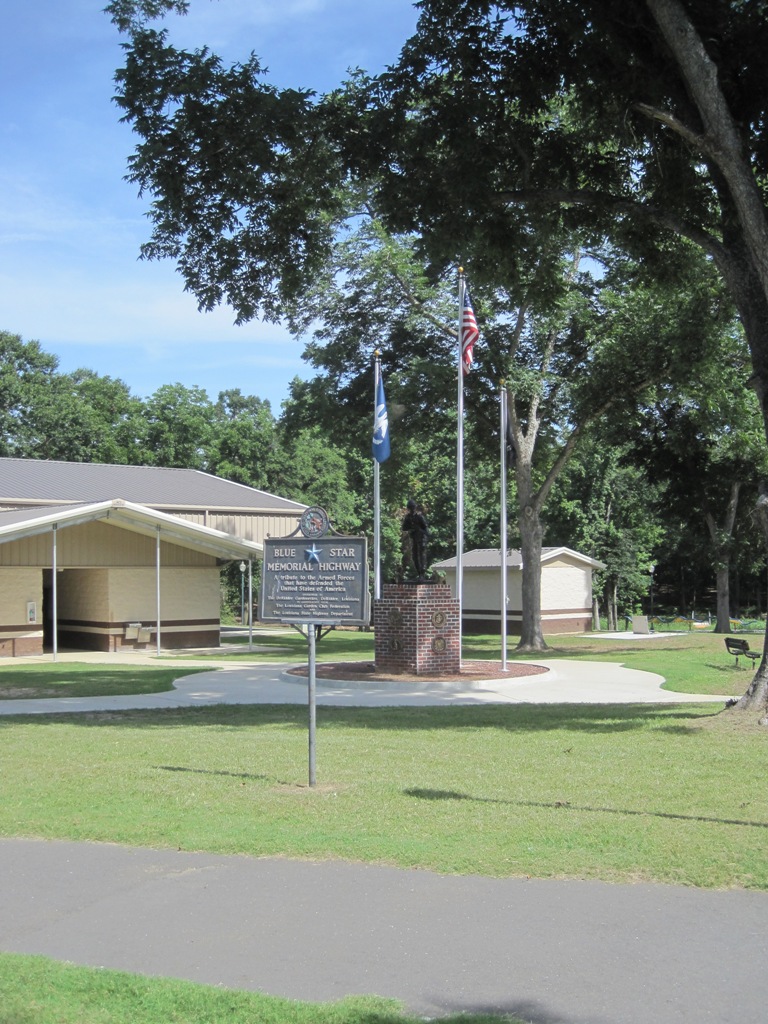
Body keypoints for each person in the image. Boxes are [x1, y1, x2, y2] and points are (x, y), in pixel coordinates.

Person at [401, 500, 429, 580]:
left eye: (413, 508)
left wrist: (423, 536)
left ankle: (422, 573)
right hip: (414, 539)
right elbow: (404, 528)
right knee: (415, 557)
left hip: (421, 538)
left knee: (422, 556)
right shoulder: (408, 517)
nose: (412, 509)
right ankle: (419, 572)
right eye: (410, 508)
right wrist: (411, 529)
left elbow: (426, 528)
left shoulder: (419, 516)